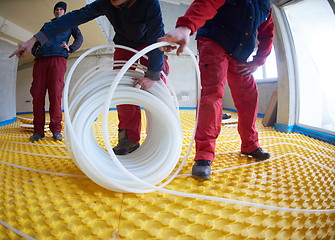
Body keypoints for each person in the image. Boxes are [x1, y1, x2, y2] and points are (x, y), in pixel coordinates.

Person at [10, 0, 168, 154]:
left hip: (151, 42)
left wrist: (153, 75)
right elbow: (73, 17)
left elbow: (156, 35)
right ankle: (129, 138)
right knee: (122, 86)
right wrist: (35, 39)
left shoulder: (149, 3)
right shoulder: (106, 3)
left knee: (158, 87)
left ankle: (163, 136)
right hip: (125, 43)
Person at [159, 0, 274, 180]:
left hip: (241, 54)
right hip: (215, 42)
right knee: (212, 95)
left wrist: (258, 61)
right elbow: (207, 3)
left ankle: (250, 145)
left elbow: (267, 33)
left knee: (249, 97)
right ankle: (204, 155)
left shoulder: (266, 4)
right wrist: (186, 27)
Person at [21, 2, 83, 142]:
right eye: (56, 9)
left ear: (65, 12)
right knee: (37, 95)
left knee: (55, 94)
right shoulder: (47, 26)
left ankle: (56, 130)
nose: (58, 11)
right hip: (41, 60)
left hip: (58, 59)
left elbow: (79, 38)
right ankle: (38, 131)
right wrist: (35, 51)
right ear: (54, 12)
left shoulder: (70, 23)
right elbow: (37, 40)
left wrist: (71, 48)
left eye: (61, 9)